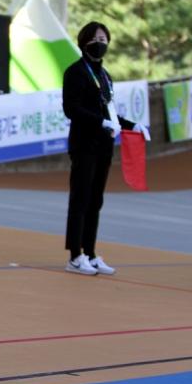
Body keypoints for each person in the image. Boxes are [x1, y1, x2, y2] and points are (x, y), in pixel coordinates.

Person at [62, 22, 149, 276]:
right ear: (84, 43)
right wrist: (100, 122)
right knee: (80, 200)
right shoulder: (75, 72)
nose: (100, 43)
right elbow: (72, 108)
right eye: (95, 39)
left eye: (104, 39)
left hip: (104, 145)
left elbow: (110, 112)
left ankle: (90, 253)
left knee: (95, 201)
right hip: (84, 145)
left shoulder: (105, 76)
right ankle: (75, 256)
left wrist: (133, 125)